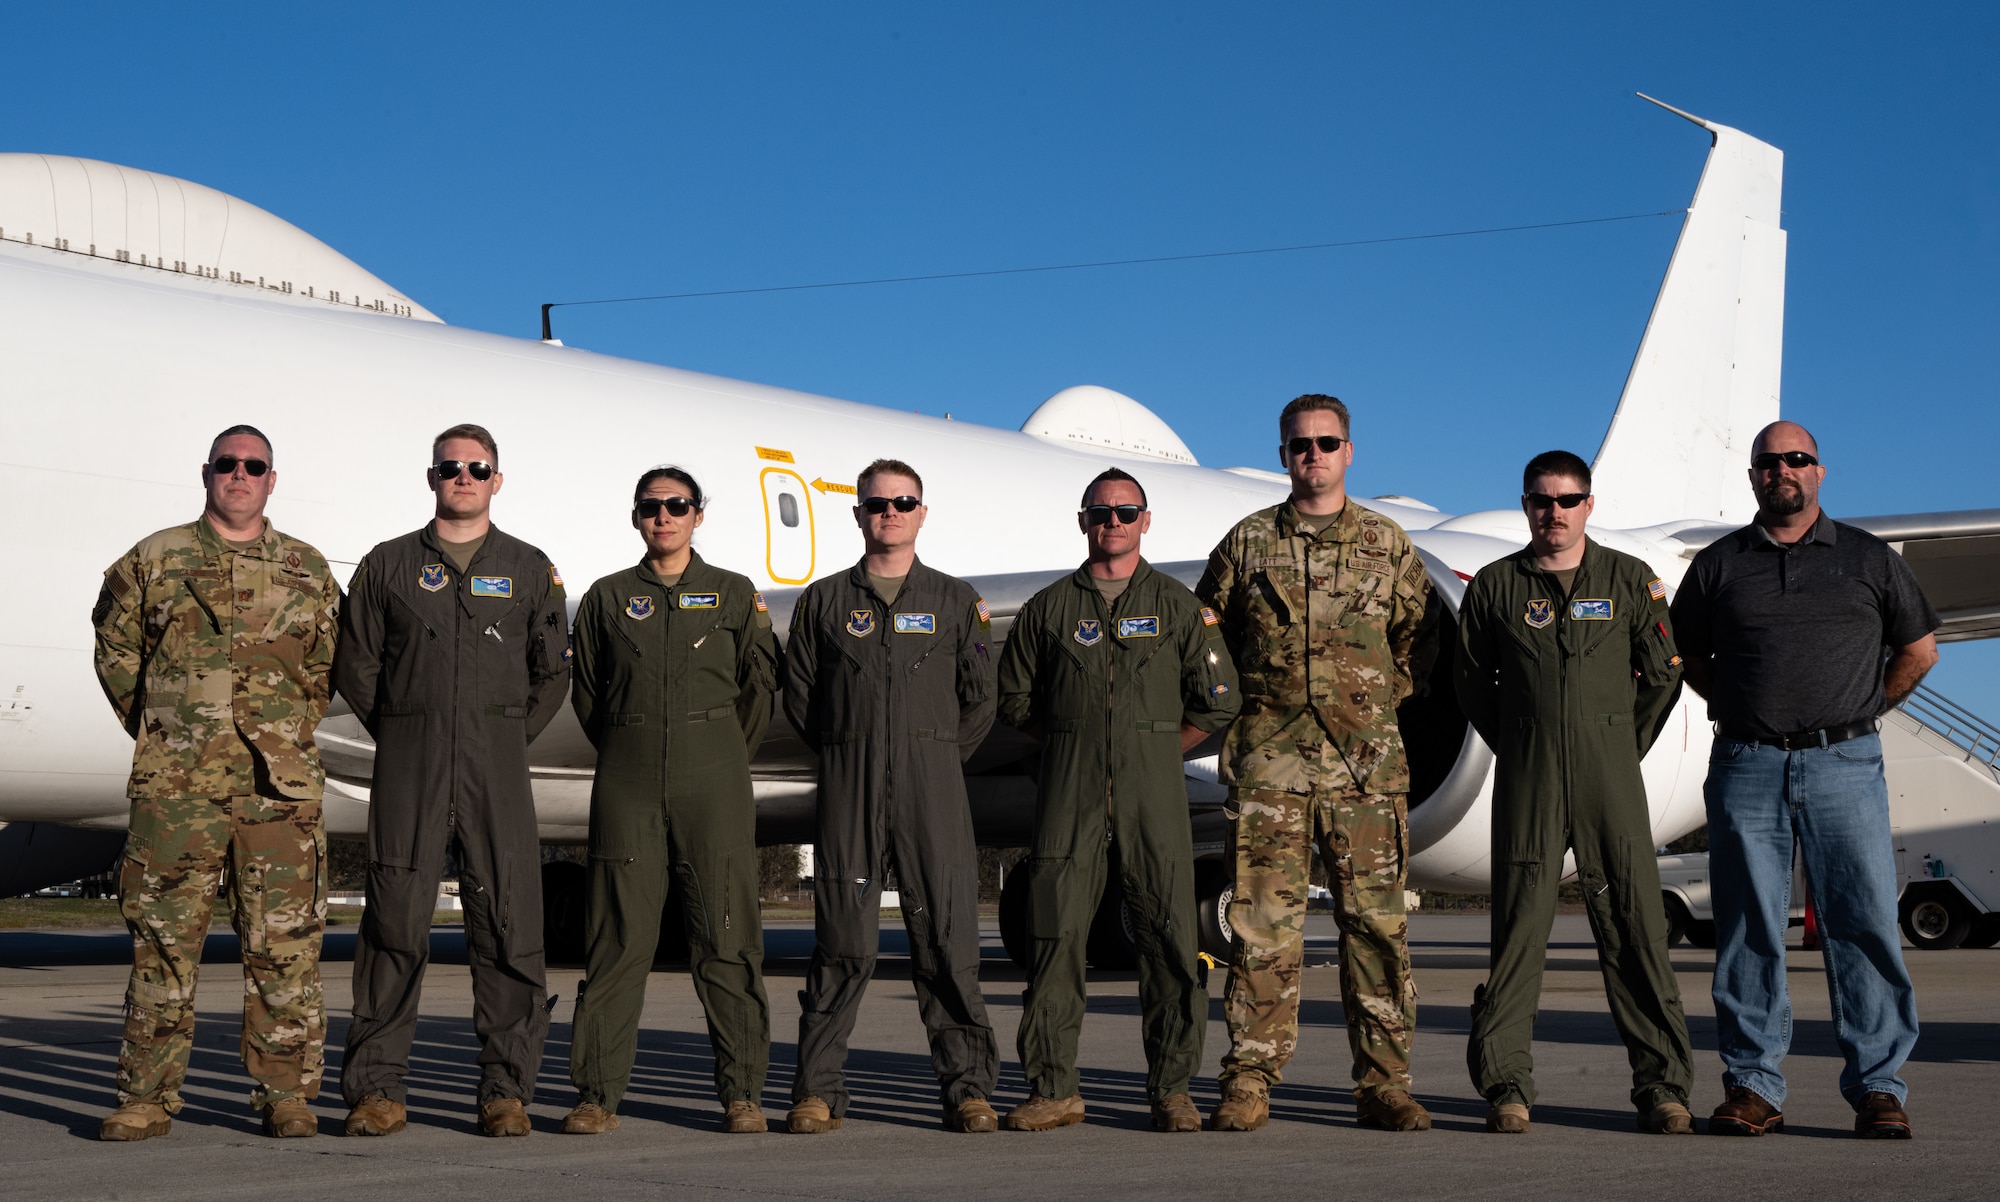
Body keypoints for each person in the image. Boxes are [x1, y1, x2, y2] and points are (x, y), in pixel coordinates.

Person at [1671, 420, 1937, 1140]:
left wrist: (1863, 710)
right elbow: (1686, 655)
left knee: (1864, 923)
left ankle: (1880, 1088)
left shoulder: (1868, 559)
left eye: (1796, 459)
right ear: (1753, 475)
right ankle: (1753, 1085)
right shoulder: (1720, 564)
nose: (1781, 470)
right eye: (1768, 462)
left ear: (1820, 471)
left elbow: (1919, 650)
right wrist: (1737, 707)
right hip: (1747, 764)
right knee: (1748, 926)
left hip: (1844, 763)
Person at [91, 424, 341, 1141]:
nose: (239, 475)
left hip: (277, 793)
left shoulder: (306, 568)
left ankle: (286, 1096)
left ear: (270, 479)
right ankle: (145, 1098)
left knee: (284, 947)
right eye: (227, 464)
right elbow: (115, 647)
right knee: (163, 944)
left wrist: (283, 729)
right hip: (177, 790)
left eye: (253, 465)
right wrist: (165, 729)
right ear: (207, 473)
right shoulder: (155, 558)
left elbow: (325, 666)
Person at [1197, 393, 1436, 1132]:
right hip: (1271, 767)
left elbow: (1416, 644)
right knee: (1262, 927)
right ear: (1283, 455)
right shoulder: (1246, 543)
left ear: (1349, 451)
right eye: (1300, 445)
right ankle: (1250, 1079)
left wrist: (1367, 709)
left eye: (1327, 444)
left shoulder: (1388, 543)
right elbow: (1211, 645)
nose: (1314, 456)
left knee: (1376, 927)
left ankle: (1384, 1083)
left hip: (1365, 770)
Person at [334, 423, 571, 1138]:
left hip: (495, 764)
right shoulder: (387, 566)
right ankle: (378, 1090)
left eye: (477, 467)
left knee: (507, 923)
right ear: (431, 477)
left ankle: (507, 1090)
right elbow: (357, 665)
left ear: (497, 480)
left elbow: (551, 672)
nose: (463, 477)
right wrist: (408, 728)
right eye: (450, 468)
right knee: (394, 922)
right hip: (411, 759)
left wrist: (499, 733)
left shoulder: (529, 568)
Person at [1454, 449, 1693, 1135]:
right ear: (1526, 505)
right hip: (1529, 778)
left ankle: (1664, 1088)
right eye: (1539, 500)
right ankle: (1506, 1086)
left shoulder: (1629, 579)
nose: (1551, 513)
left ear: (1589, 504)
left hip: (1608, 777)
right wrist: (1524, 741)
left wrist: (1616, 744)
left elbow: (1664, 674)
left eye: (1565, 500)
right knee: (1518, 930)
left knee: (1636, 929)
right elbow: (1472, 683)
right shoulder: (1498, 586)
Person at [995, 468, 1240, 1133]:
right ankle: (1053, 1088)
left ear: (1146, 520)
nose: (1113, 522)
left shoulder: (1179, 606)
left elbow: (1218, 701)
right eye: (1100, 512)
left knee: (1168, 939)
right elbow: (1015, 699)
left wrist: (1157, 748)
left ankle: (1173, 1090)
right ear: (1082, 521)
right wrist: (1075, 743)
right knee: (1053, 940)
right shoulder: (1048, 609)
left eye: (1125, 512)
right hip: (1068, 798)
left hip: (1153, 795)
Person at [781, 458, 1001, 1134]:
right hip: (850, 787)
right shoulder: (823, 602)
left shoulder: (955, 601)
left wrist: (932, 753)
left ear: (921, 513)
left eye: (903, 502)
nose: (890, 513)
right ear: (857, 514)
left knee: (946, 940)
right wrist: (852, 750)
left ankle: (968, 1089)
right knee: (842, 943)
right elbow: (800, 701)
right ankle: (817, 1092)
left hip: (931, 788)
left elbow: (980, 700)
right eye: (877, 504)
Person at [562, 467, 780, 1135]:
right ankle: (597, 1094)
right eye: (652, 507)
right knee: (616, 940)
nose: (665, 516)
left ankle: (742, 1092)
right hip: (627, 775)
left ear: (697, 516)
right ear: (636, 517)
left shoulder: (734, 594)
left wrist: (710, 750)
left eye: (677, 505)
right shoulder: (606, 597)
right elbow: (590, 696)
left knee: (726, 936)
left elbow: (758, 691)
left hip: (712, 773)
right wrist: (637, 743)